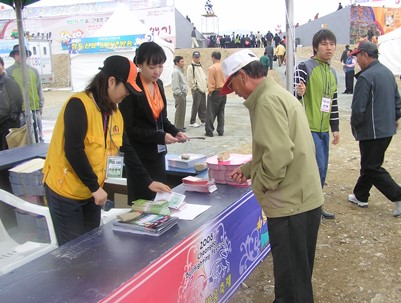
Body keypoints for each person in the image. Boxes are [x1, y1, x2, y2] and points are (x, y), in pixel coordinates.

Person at [221, 49, 323, 302]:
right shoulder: (278, 94)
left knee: (291, 287)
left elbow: (277, 157)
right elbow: (280, 145)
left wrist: (260, 184)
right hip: (303, 200)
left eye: (231, 84)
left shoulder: (266, 101)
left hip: (290, 206)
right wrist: (247, 169)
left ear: (242, 76)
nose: (233, 91)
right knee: (298, 278)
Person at [43, 55, 146, 245]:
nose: (128, 94)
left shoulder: (114, 113)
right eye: (127, 88)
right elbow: (73, 150)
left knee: (92, 245)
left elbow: (127, 149)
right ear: (112, 81)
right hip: (65, 190)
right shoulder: (78, 104)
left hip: (92, 191)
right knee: (74, 252)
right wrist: (94, 187)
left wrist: (148, 182)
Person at [119, 42, 188, 204]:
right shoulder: (131, 88)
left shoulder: (159, 84)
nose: (157, 71)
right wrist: (158, 137)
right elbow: (128, 130)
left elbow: (162, 118)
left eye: (160, 66)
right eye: (152, 67)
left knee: (159, 201)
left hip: (157, 156)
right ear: (139, 64)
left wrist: (175, 131)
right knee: (142, 204)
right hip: (138, 158)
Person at [347, 41, 401, 217]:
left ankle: (398, 195)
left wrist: (355, 126)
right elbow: (398, 102)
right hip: (386, 129)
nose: (356, 59)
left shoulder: (366, 77)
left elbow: (358, 109)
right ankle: (360, 194)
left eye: (357, 56)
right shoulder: (387, 73)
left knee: (372, 166)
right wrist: (395, 118)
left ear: (365, 55)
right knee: (369, 163)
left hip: (372, 131)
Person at [295, 29, 340, 219]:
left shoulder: (332, 73)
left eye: (331, 44)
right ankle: (309, 208)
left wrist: (335, 128)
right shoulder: (304, 67)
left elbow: (333, 101)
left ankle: (315, 206)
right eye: (324, 44)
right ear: (315, 47)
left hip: (323, 130)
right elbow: (294, 96)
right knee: (317, 168)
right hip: (309, 128)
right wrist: (299, 91)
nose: (328, 48)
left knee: (323, 169)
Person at [7, 44, 44, 143]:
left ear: (27, 56)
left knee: (38, 136)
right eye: (18, 54)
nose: (20, 56)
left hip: (35, 109)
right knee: (22, 139)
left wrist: (41, 106)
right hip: (20, 112)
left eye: (23, 54)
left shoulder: (34, 71)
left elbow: (39, 88)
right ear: (14, 56)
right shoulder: (9, 72)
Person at [0, 57, 22, 150]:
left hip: (7, 128)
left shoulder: (10, 83)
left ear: (3, 66)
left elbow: (17, 105)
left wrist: (10, 122)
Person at [205, 51, 226, 137]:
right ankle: (220, 131)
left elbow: (211, 82)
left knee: (211, 112)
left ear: (213, 57)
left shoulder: (212, 68)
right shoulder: (224, 67)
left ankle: (209, 131)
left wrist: (210, 92)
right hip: (223, 91)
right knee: (221, 112)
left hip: (215, 92)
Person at [186, 51, 207, 128]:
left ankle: (203, 120)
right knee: (196, 105)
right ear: (193, 57)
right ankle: (192, 121)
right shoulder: (191, 67)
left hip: (203, 89)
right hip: (197, 90)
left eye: (198, 57)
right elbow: (189, 78)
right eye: (195, 57)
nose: (197, 58)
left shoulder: (200, 66)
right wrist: (195, 87)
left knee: (203, 105)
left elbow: (203, 77)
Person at [171, 55, 188, 131]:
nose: (183, 63)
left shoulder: (180, 71)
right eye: (182, 61)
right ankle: (178, 127)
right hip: (179, 94)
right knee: (179, 111)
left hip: (183, 94)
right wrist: (179, 93)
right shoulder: (176, 72)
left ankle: (180, 125)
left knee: (182, 111)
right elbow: (175, 84)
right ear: (177, 63)